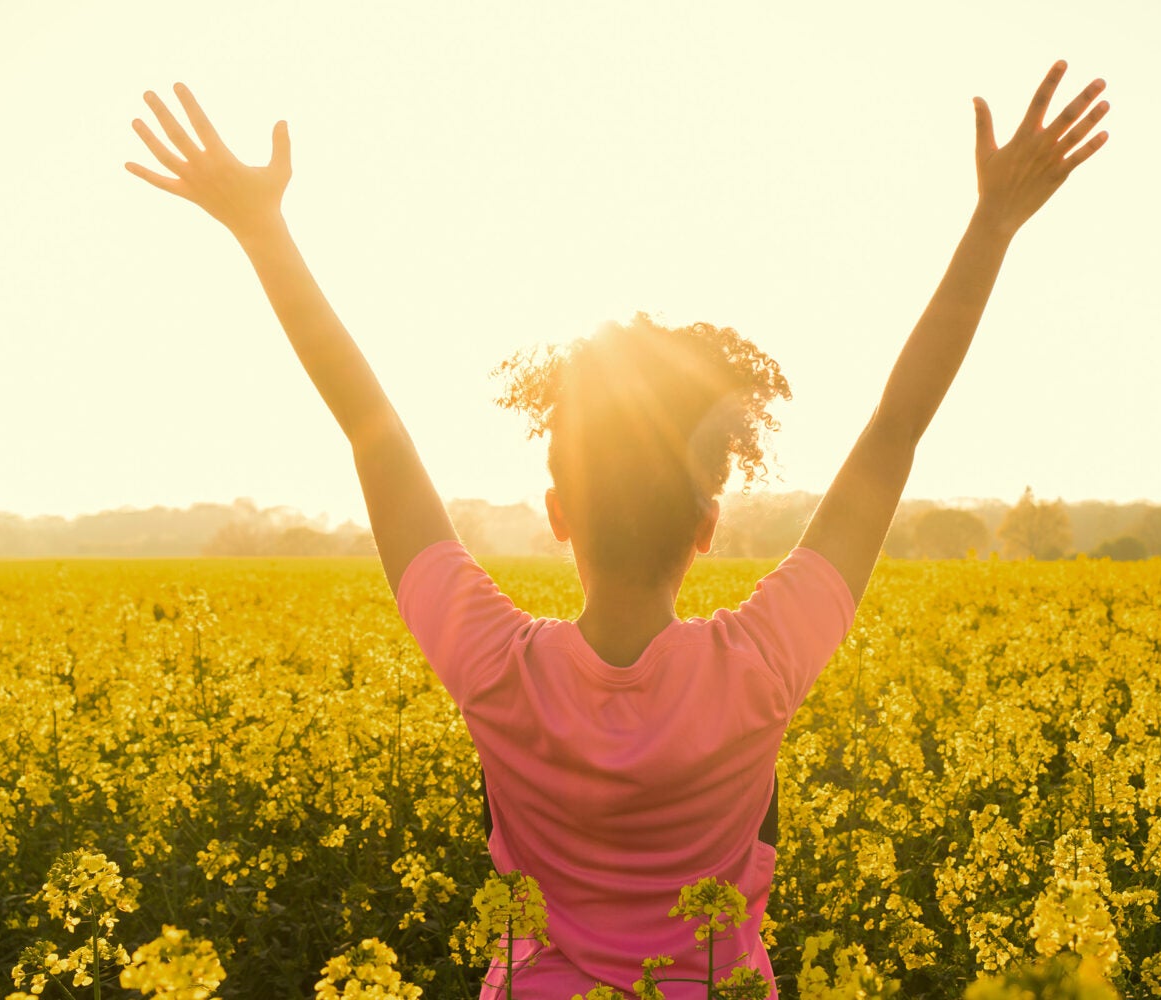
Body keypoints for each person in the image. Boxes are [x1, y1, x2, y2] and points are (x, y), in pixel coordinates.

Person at [126, 61, 1108, 998]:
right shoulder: (758, 666)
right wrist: (993, 223)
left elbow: (370, 430)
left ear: (558, 514)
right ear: (709, 522)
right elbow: (895, 430)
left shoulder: (495, 667)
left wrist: (261, 229)